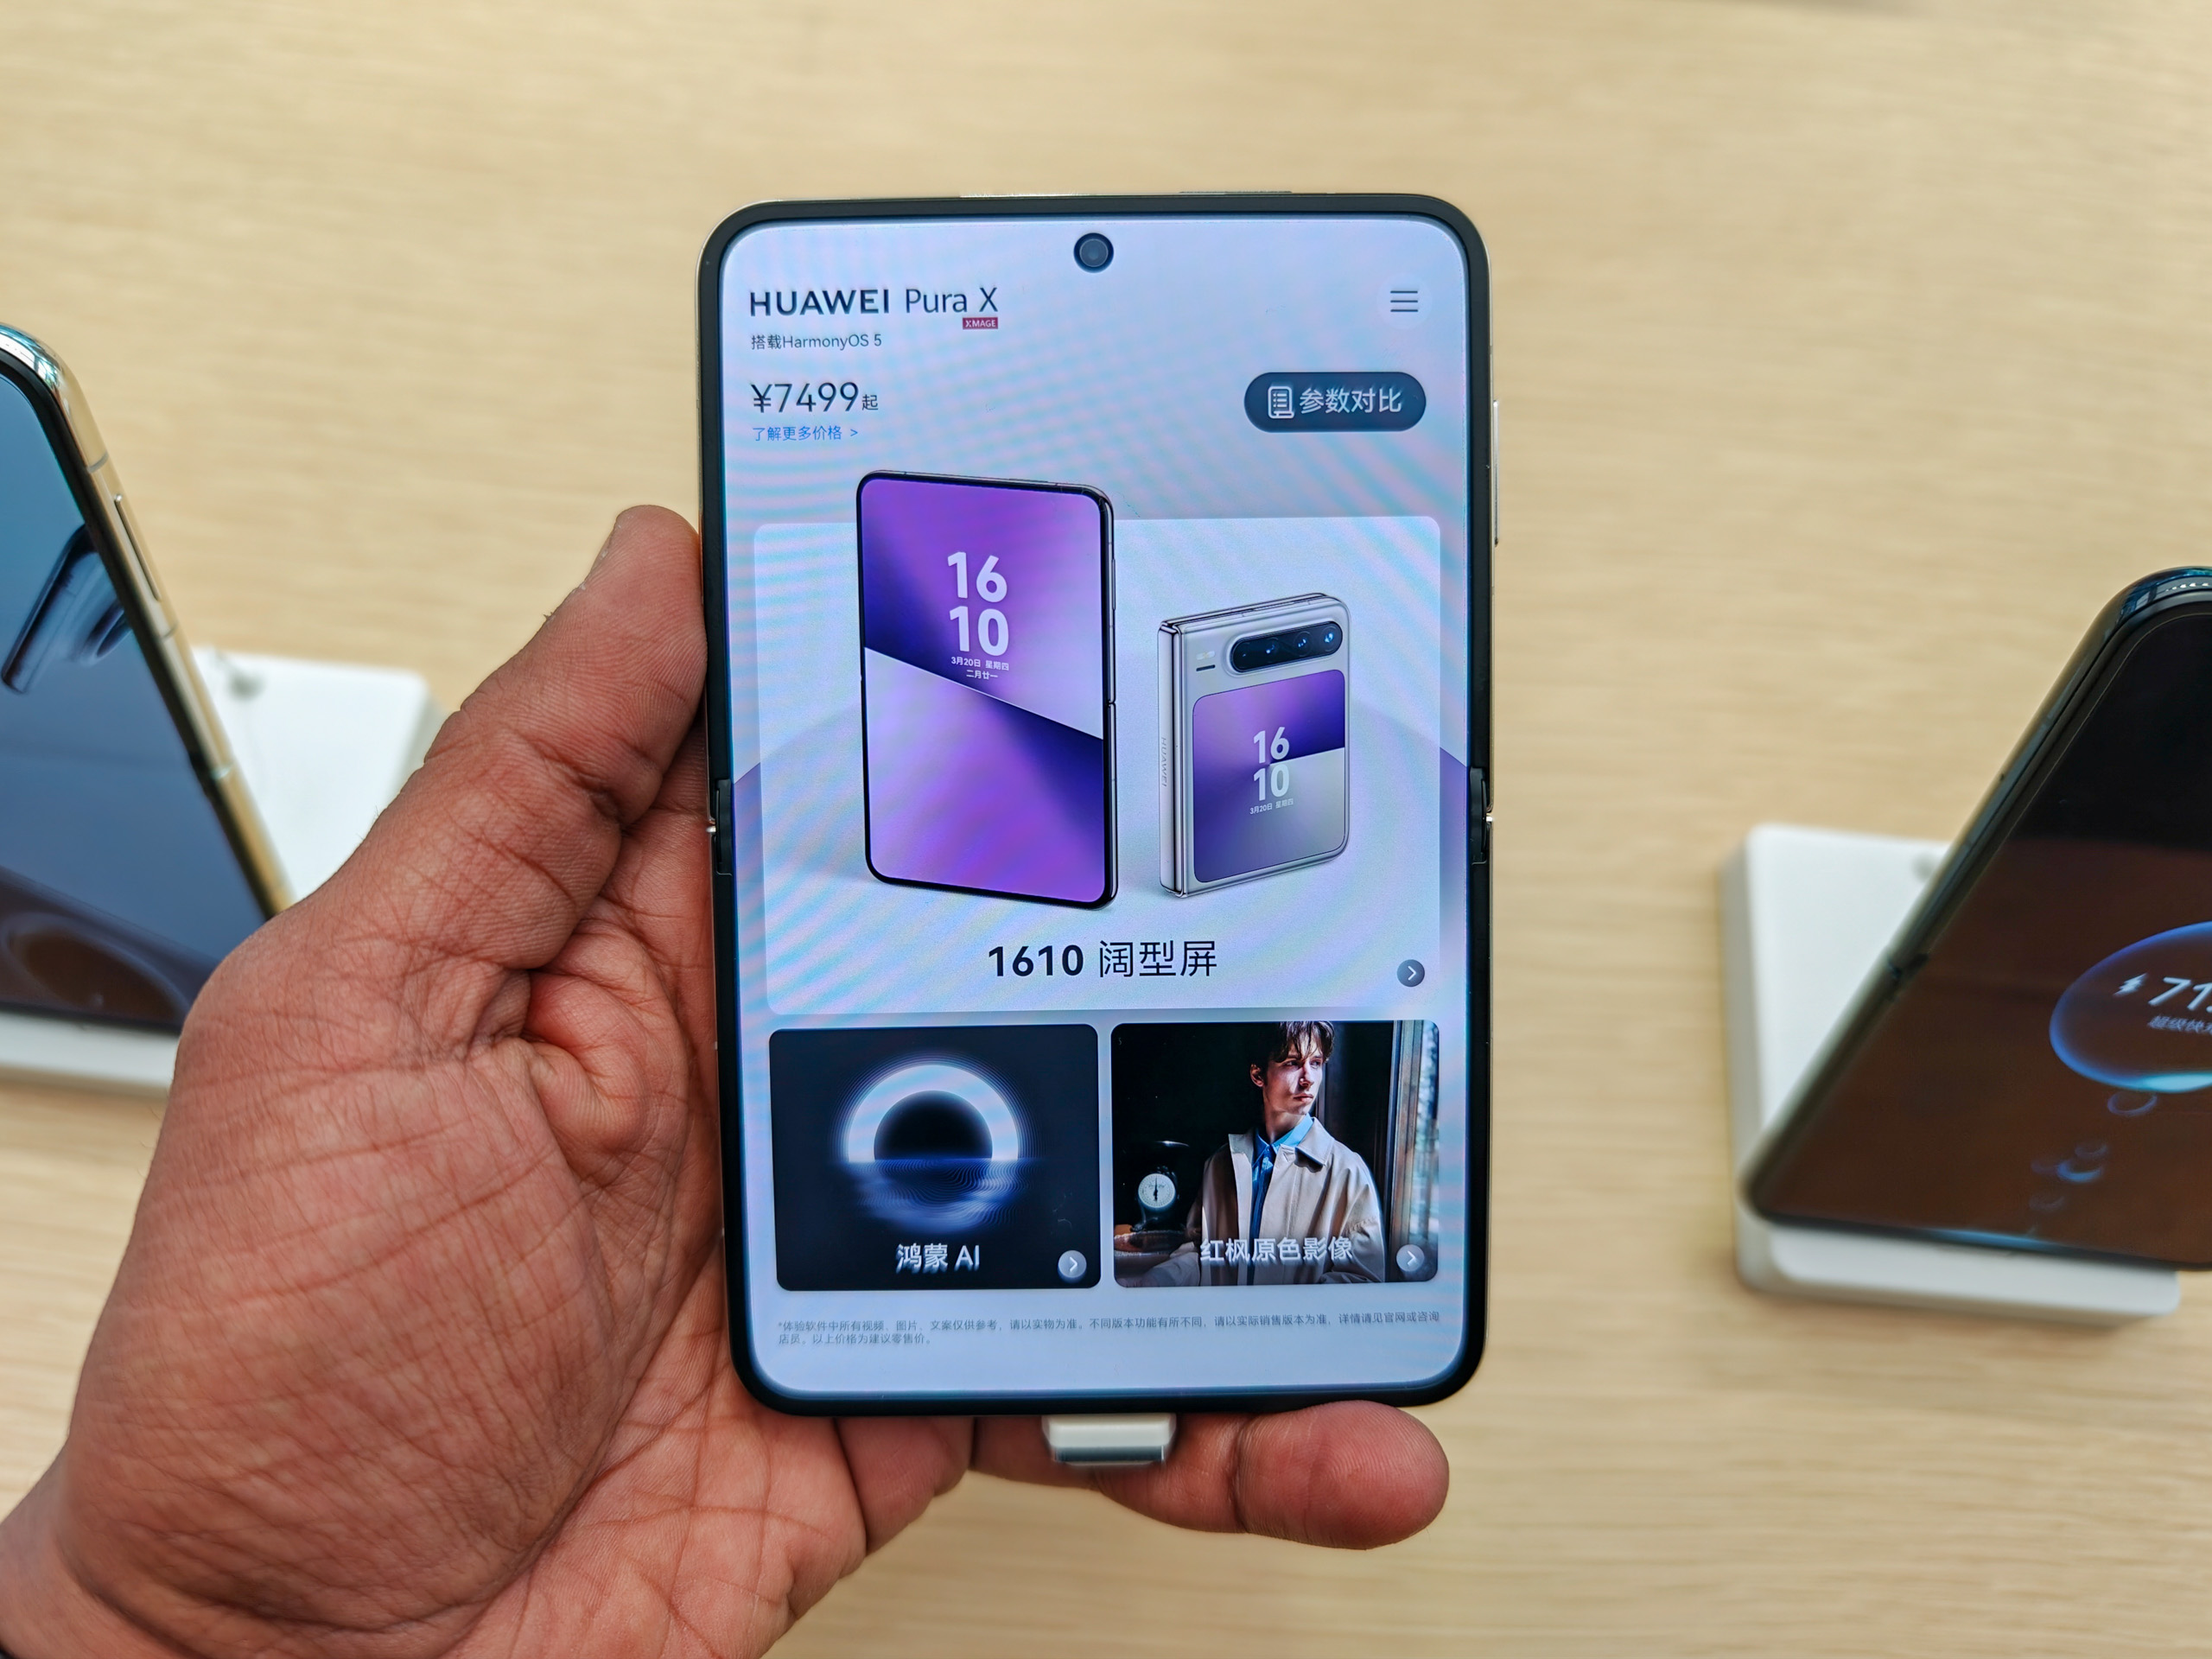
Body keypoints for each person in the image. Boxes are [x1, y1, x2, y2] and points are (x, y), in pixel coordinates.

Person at [0, 510, 1446, 1659]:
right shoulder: (1215, 1158)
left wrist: (147, 1630)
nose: (1292, 1076)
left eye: (1312, 1063)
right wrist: (165, 1624)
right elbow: (1192, 1254)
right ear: (1260, 1071)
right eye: (1285, 1057)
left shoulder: (1348, 1185)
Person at [1143, 1020, 1386, 1287]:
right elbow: (1202, 1252)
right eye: (1292, 1063)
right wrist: (1160, 1279)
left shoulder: (1347, 1170)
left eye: (1316, 1063)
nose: (1308, 1078)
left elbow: (1362, 1278)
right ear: (1258, 1075)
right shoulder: (1220, 1164)